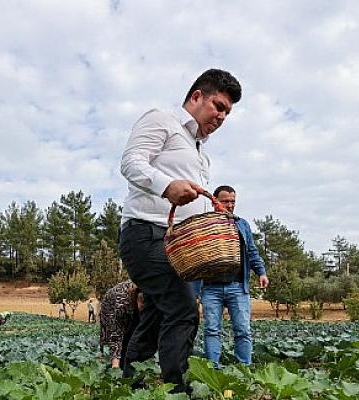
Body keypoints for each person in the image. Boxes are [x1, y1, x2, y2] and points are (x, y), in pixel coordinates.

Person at [118, 68, 242, 394]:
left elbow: (191, 198)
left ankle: (132, 384)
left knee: (158, 313)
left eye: (227, 112)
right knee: (185, 309)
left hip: (180, 245)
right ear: (197, 96)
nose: (222, 116)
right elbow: (131, 162)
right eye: (218, 105)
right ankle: (176, 389)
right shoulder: (162, 120)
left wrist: (211, 211)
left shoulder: (201, 154)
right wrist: (166, 185)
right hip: (146, 233)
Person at [200, 185, 269, 368]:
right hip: (210, 287)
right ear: (214, 201)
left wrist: (261, 272)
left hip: (238, 286)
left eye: (233, 202)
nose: (230, 205)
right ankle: (213, 370)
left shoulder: (242, 224)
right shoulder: (204, 225)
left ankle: (244, 370)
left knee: (243, 330)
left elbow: (252, 252)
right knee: (212, 330)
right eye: (225, 201)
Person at [98, 281, 143, 368]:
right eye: (143, 302)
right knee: (123, 340)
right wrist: (115, 367)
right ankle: (118, 365)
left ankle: (132, 365)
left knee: (135, 337)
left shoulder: (153, 292)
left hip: (132, 306)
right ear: (138, 295)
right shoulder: (121, 303)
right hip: (110, 308)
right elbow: (116, 334)